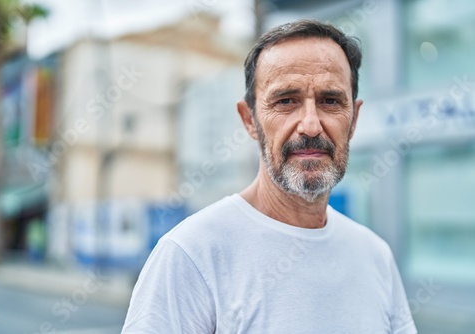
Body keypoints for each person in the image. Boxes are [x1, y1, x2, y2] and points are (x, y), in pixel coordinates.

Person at [121, 19, 417, 334]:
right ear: (250, 120)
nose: (311, 126)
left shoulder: (375, 256)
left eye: (330, 101)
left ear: (354, 119)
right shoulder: (191, 255)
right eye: (286, 101)